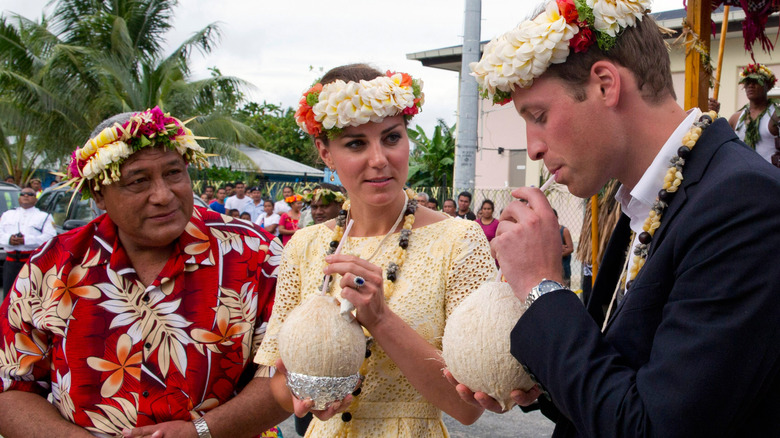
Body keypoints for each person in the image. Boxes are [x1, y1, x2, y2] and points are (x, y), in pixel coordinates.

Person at [450, 1, 780, 437]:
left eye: (539, 116)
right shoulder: (648, 196)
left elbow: (653, 427)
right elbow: (630, 375)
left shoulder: (743, 202)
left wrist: (541, 287)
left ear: (606, 84)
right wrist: (544, 380)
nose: (532, 148)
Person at [0, 107, 301, 437]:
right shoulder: (52, 266)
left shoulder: (255, 254)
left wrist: (203, 431)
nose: (163, 195)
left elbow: (291, 371)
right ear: (99, 193)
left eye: (173, 173)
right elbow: (11, 386)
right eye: (138, 181)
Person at [254, 63, 495, 437]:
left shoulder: (460, 240)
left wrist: (380, 319)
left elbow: (467, 408)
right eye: (355, 143)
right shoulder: (304, 246)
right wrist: (305, 399)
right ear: (325, 153)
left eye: (392, 138)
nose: (380, 158)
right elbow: (277, 381)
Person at [710, 63, 779, 165]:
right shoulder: (735, 118)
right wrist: (714, 115)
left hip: (771, 177)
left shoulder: (776, 116)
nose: (750, 86)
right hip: (744, 176)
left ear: (768, 86)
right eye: (747, 82)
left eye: (756, 81)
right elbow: (721, 143)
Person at [0, 187, 56, 300]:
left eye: (30, 194)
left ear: (35, 199)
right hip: (11, 264)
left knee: (30, 298)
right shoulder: (7, 215)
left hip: (32, 263)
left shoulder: (44, 217)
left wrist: (26, 240)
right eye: (23, 194)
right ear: (19, 198)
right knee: (9, 297)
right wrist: (9, 239)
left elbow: (50, 237)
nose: (26, 196)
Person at [553, 209, 573, 287]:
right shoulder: (546, 231)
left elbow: (570, 249)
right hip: (552, 270)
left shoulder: (564, 231)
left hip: (564, 270)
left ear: (557, 217)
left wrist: (555, 255)